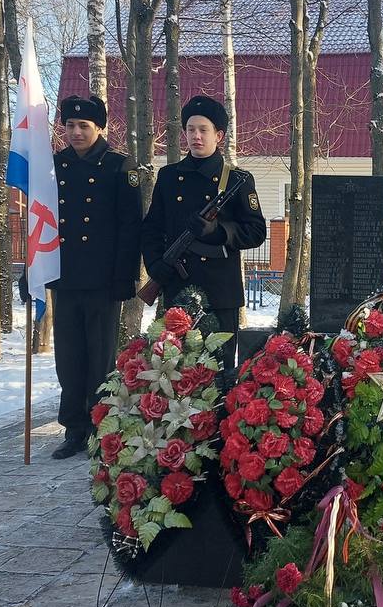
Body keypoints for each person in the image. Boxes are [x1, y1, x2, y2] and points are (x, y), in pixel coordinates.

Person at [141, 95, 266, 377]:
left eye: (203, 130)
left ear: (218, 135)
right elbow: (151, 228)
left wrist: (219, 231)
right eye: (190, 129)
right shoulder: (169, 177)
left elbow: (256, 231)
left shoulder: (236, 180)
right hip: (178, 287)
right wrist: (156, 265)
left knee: (219, 373)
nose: (196, 136)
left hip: (220, 293)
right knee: (176, 372)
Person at [48, 94, 142, 459]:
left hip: (103, 280)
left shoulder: (118, 166)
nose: (75, 132)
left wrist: (125, 276)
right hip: (65, 276)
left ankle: (100, 427)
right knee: (68, 358)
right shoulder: (55, 166)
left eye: (83, 126)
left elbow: (130, 226)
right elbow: (42, 221)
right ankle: (74, 428)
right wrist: (34, 270)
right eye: (70, 125)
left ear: (99, 128)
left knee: (100, 358)